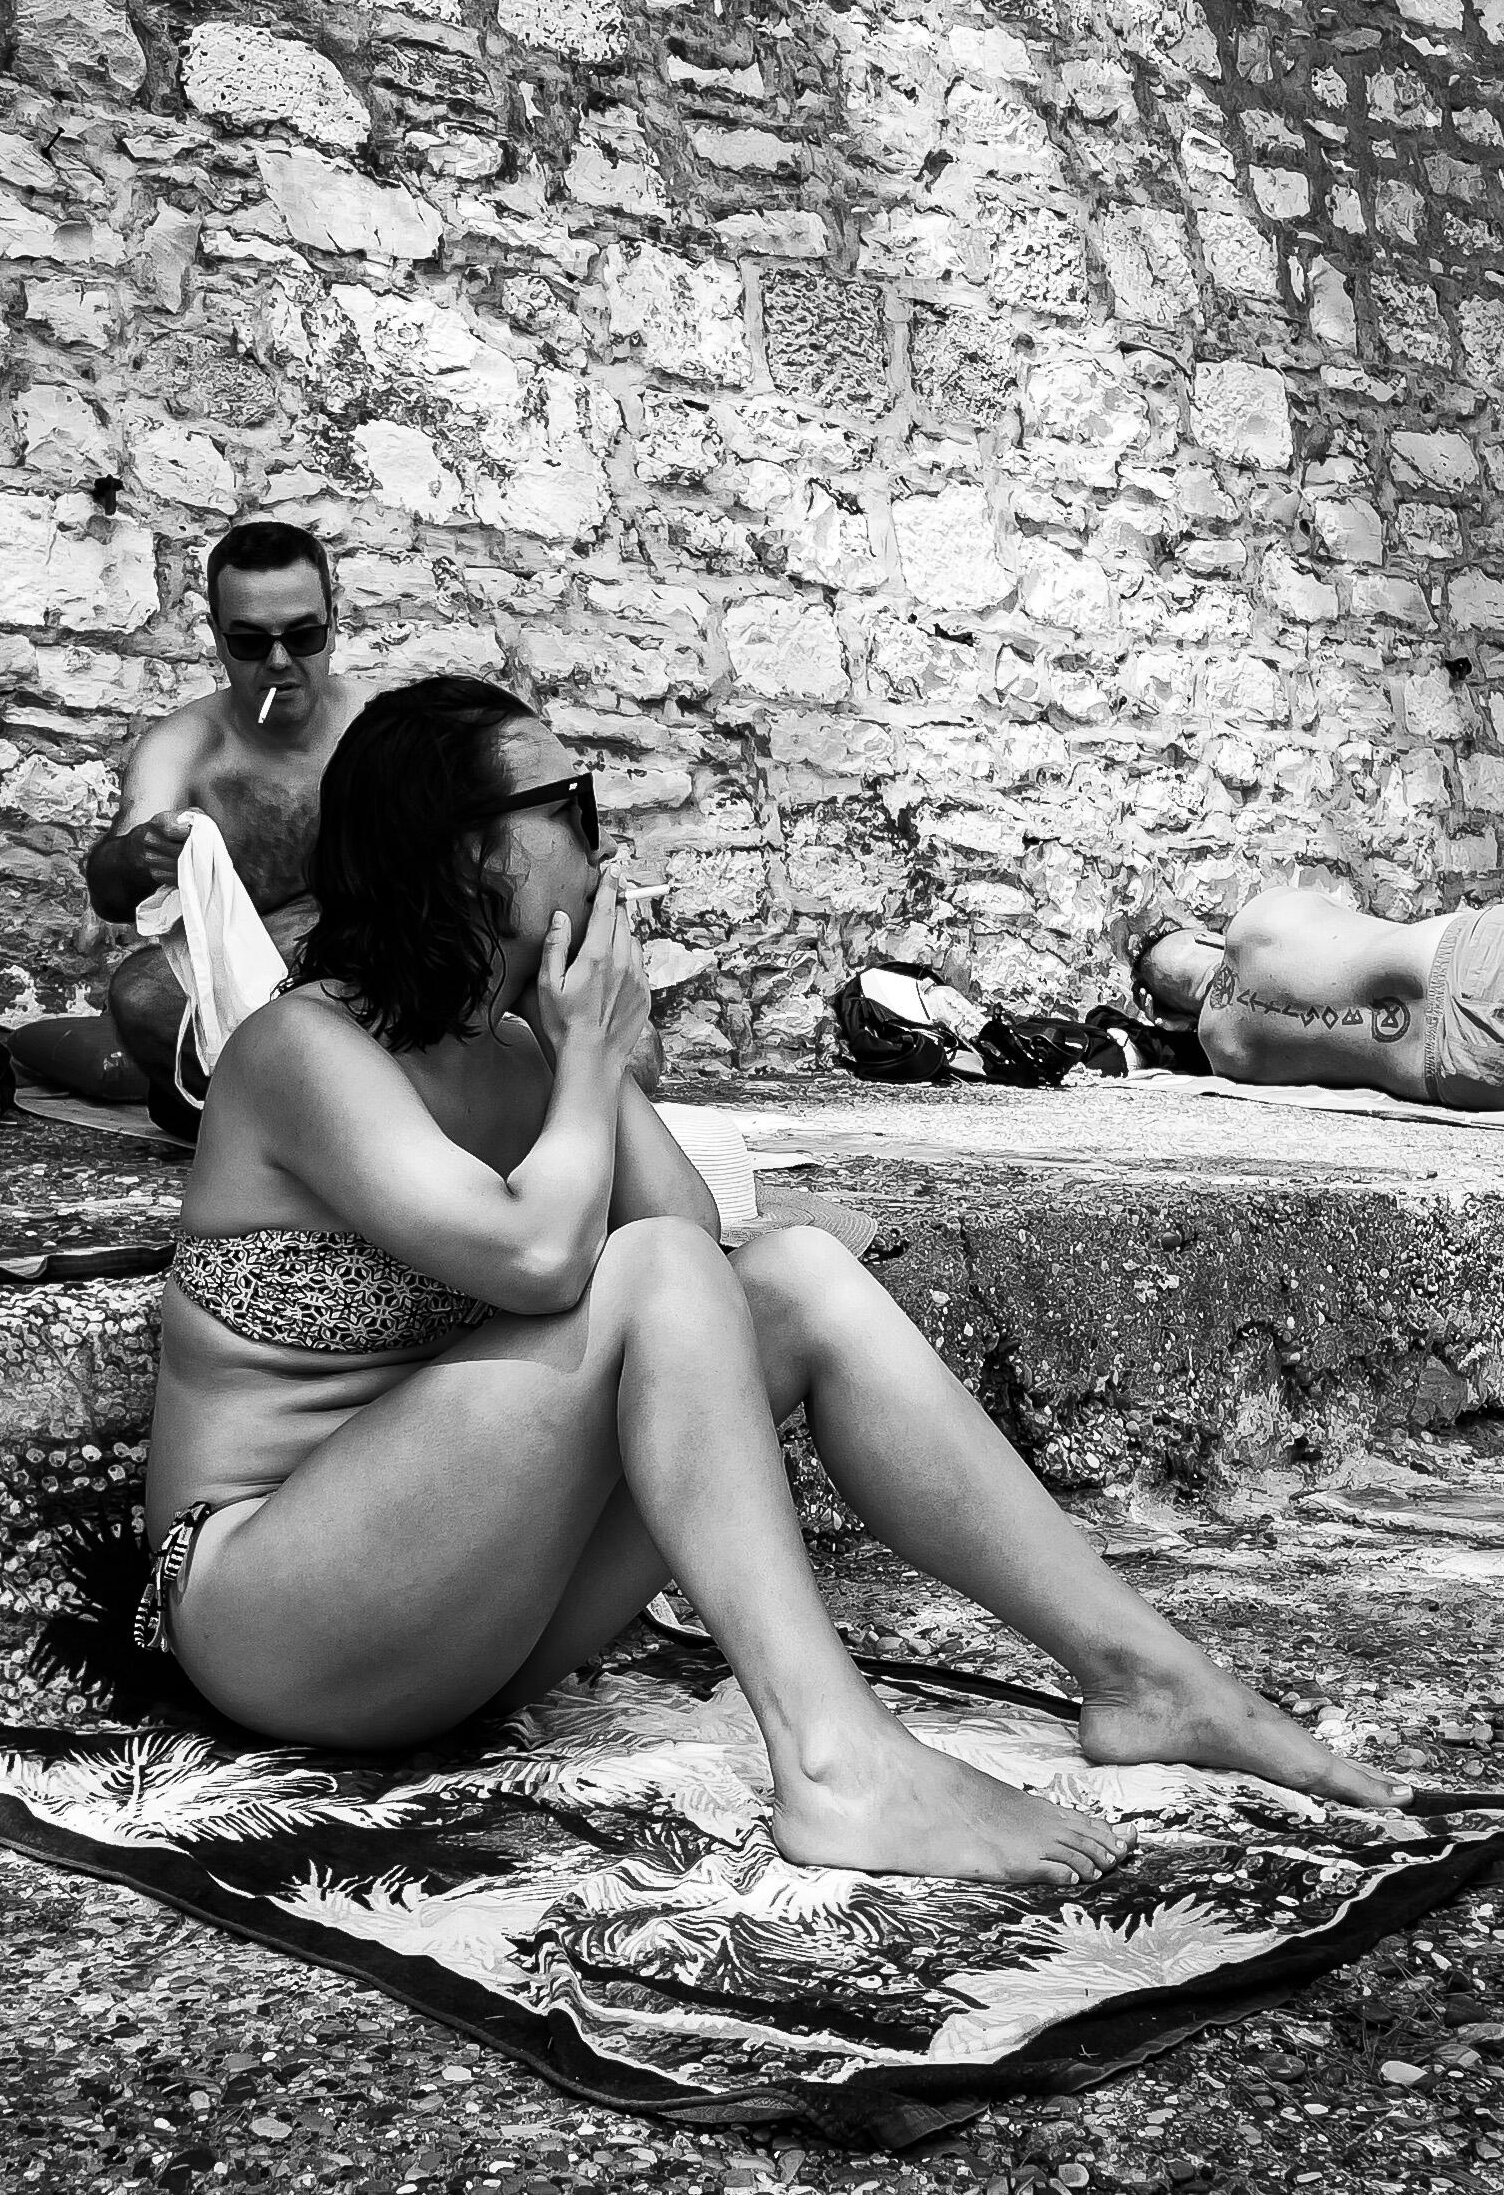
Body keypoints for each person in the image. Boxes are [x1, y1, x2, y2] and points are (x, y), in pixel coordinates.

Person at [140, 676, 1408, 1888]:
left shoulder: (517, 1054)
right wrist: (587, 1061)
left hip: (463, 1617)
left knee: (792, 1274)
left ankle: (1141, 1673)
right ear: (473, 854)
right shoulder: (303, 1048)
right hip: (277, 1613)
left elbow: (689, 1238)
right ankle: (831, 1760)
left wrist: (586, 1057)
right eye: (573, 810)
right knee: (655, 1273)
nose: (606, 853)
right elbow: (541, 1257)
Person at [9, 521, 359, 1136]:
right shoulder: (187, 747)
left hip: (373, 959)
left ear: (333, 623)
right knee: (141, 995)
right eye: (250, 642)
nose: (279, 662)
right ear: (217, 638)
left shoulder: (376, 726)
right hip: (249, 984)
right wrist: (141, 854)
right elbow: (110, 899)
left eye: (303, 636)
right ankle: (264, 1116)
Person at [1132, 887, 1504, 1109]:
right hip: (1466, 953)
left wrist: (1167, 1024)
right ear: (1207, 938)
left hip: (1455, 1063)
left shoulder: (1225, 1054)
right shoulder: (1263, 911)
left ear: (1172, 1017)